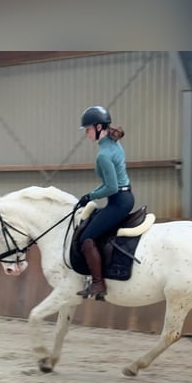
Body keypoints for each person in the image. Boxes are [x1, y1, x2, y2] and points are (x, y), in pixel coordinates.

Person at [74, 105, 134, 299]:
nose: (86, 134)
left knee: (86, 239)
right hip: (122, 198)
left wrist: (89, 196)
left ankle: (98, 284)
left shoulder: (104, 154)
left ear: (99, 127)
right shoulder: (113, 143)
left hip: (119, 201)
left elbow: (111, 187)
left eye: (88, 129)